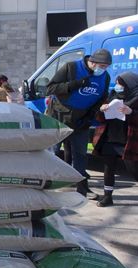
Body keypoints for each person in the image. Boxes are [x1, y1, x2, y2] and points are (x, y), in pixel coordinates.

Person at [46, 48, 112, 199]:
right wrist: (75, 84)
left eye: (106, 67)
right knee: (52, 153)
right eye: (102, 67)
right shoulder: (71, 67)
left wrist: (89, 116)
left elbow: (102, 97)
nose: (104, 70)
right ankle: (46, 185)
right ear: (93, 62)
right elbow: (50, 88)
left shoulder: (105, 77)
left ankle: (82, 188)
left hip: (81, 121)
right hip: (59, 118)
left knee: (81, 155)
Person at [92, 71, 138, 207]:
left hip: (129, 140)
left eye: (120, 84)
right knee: (108, 168)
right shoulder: (112, 96)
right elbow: (99, 118)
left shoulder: (136, 98)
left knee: (134, 170)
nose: (117, 86)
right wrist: (102, 110)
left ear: (129, 85)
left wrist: (131, 113)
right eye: (117, 83)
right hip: (110, 137)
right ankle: (107, 196)